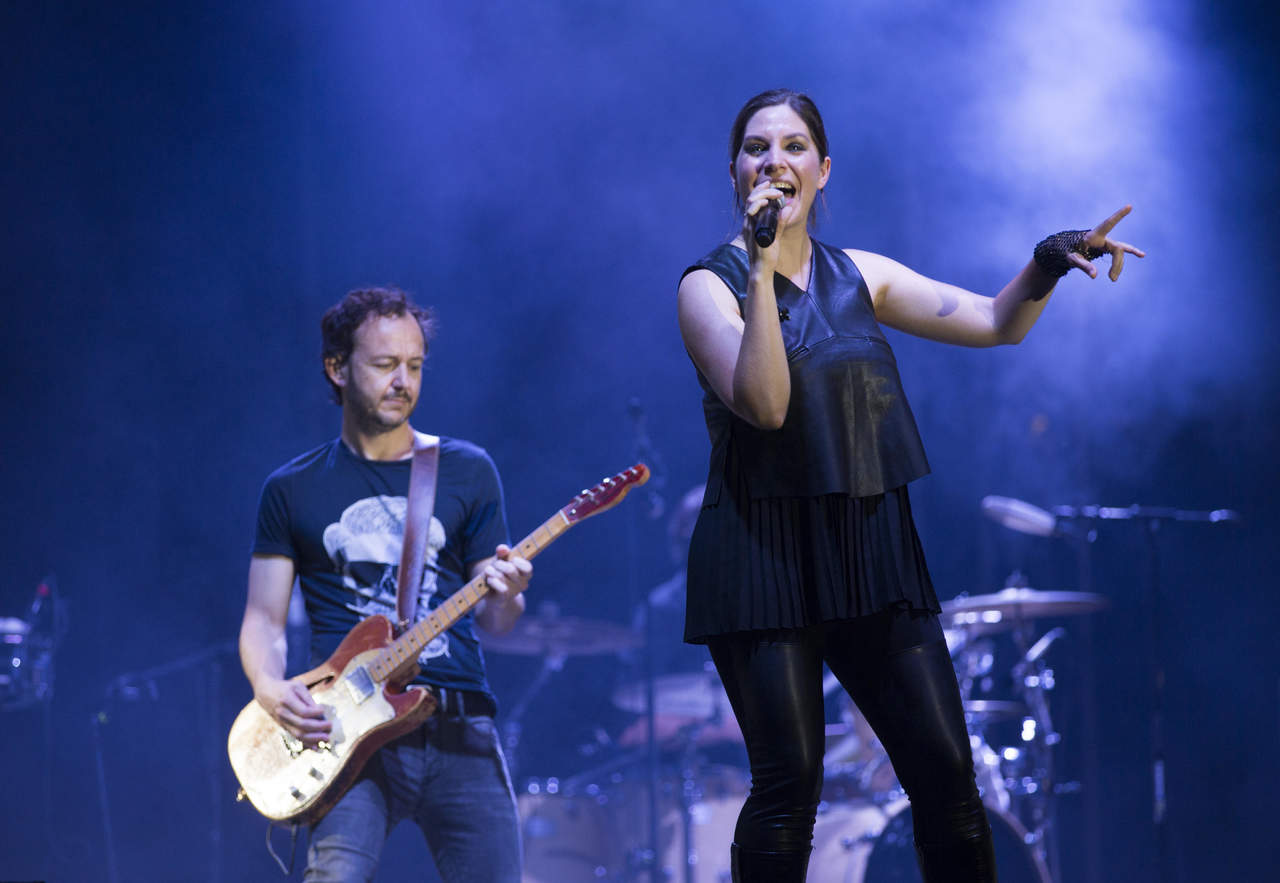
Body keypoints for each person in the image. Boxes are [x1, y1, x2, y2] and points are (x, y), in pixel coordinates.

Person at [675, 89, 1142, 882]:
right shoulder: (706, 287)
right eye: (757, 148)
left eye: (793, 146)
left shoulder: (862, 274)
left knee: (948, 777)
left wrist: (1046, 260)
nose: (774, 162)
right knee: (789, 787)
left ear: (823, 170)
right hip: (763, 555)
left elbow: (995, 322)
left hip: (869, 545)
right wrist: (759, 264)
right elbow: (766, 403)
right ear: (735, 173)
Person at [238, 286, 532, 882]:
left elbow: (498, 620)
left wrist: (509, 595)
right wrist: (268, 687)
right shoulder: (290, 489)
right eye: (384, 364)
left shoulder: (467, 469)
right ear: (337, 368)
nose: (403, 381)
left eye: (415, 366)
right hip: (346, 729)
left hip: (459, 724)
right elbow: (264, 619)